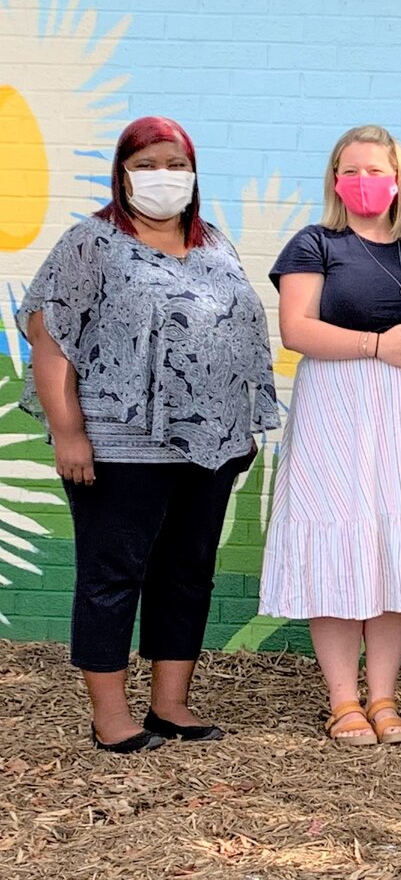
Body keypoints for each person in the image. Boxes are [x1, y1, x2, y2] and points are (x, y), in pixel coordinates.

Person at [19, 116, 277, 752]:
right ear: (122, 172)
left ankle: (171, 705)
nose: (164, 177)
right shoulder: (91, 243)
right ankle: (110, 715)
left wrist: (241, 426)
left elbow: (239, 335)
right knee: (114, 573)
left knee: (188, 573)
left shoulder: (214, 242)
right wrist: (68, 432)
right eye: (148, 165)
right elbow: (49, 337)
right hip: (118, 442)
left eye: (176, 165)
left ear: (193, 174)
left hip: (212, 444)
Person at [260, 125, 401, 746]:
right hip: (341, 410)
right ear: (334, 180)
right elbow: (297, 329)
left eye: (375, 170)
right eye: (350, 170)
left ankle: (383, 697)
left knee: (395, 545)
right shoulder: (315, 243)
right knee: (341, 543)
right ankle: (342, 701)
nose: (363, 182)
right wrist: (376, 345)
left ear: (399, 179)